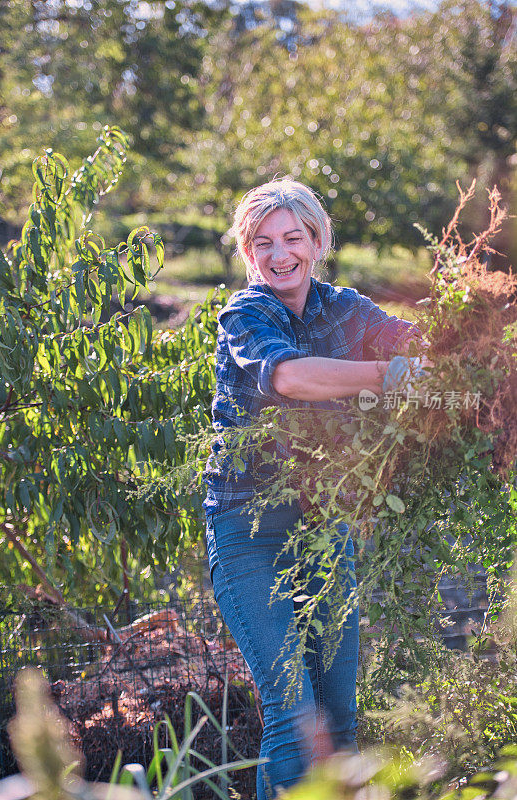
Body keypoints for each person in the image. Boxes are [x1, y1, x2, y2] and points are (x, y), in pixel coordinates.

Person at [203, 179, 423, 799]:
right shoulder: (245, 315)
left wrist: (470, 350)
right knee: (295, 719)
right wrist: (387, 375)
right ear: (248, 253)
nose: (279, 255)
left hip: (325, 527)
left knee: (339, 720)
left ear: (319, 241)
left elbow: (415, 343)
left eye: (292, 239)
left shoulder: (343, 308)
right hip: (249, 533)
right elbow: (292, 377)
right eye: (262, 242)